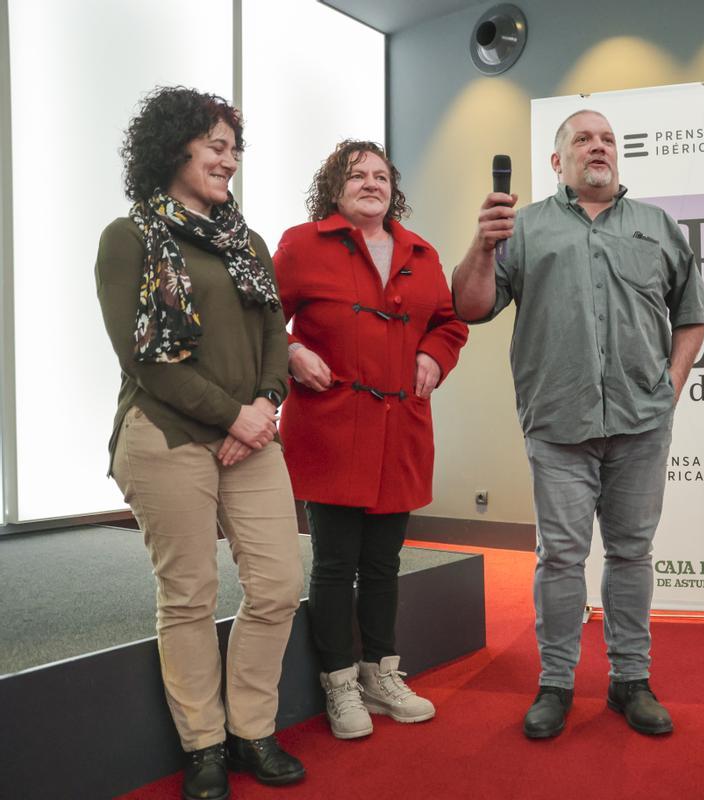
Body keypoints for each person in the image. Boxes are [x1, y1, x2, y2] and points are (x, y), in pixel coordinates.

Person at [452, 109, 704, 739]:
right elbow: (470, 304)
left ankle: (631, 680)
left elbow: (694, 314)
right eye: (582, 140)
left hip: (641, 423)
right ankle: (557, 683)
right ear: (558, 162)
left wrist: (670, 389)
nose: (597, 148)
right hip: (557, 422)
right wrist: (482, 244)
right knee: (561, 557)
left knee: (631, 553)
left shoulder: (655, 226)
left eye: (606, 140)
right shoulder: (524, 227)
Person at [96, 86, 304, 800]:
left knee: (280, 583)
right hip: (165, 434)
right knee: (187, 595)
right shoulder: (130, 237)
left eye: (234, 147)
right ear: (172, 148)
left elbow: (275, 333)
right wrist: (233, 415)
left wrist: (267, 403)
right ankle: (205, 746)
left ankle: (252, 728)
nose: (229, 158)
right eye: (215, 144)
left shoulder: (246, 243)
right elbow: (144, 359)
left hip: (251, 435)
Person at [274, 140, 468, 739]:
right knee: (335, 564)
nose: (370, 183)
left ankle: (381, 674)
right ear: (334, 188)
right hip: (332, 427)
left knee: (384, 562)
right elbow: (258, 320)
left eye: (381, 175)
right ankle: (339, 685)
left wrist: (436, 357)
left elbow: (451, 322)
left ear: (393, 188)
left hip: (400, 428)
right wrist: (292, 352)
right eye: (356, 175)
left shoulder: (421, 252)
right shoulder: (302, 245)